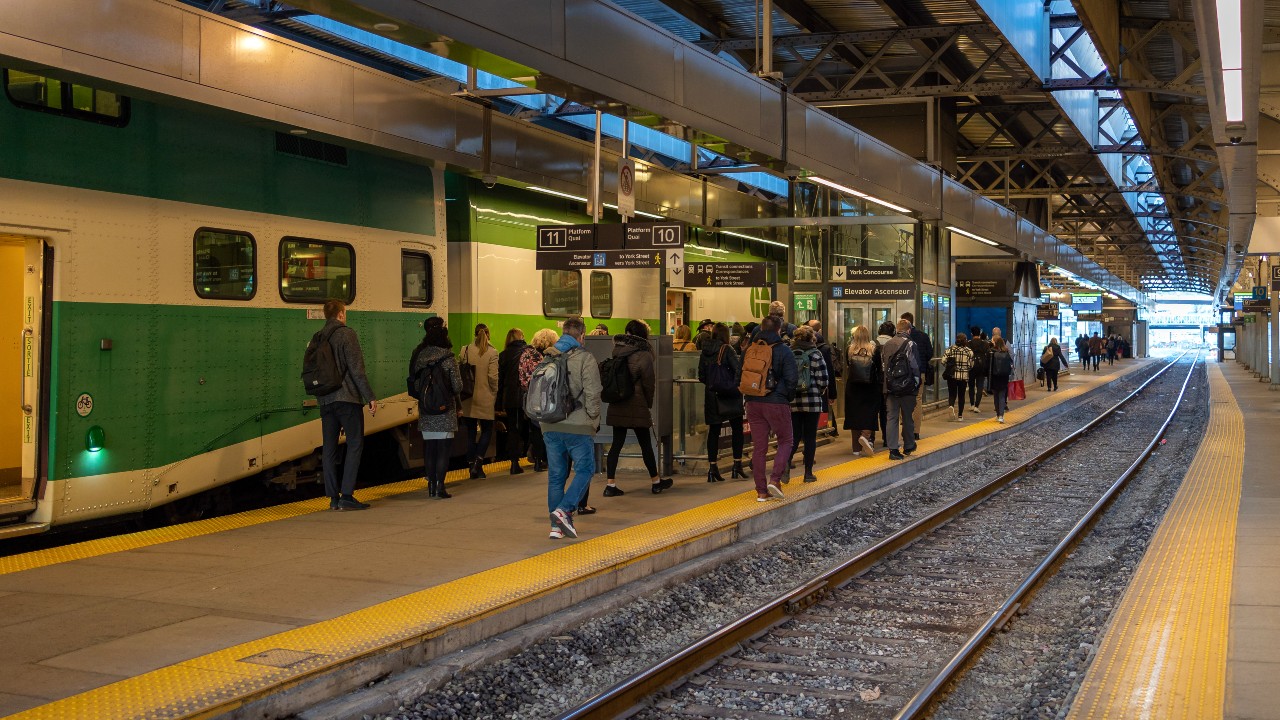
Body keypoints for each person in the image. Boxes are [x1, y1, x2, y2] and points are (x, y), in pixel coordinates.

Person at [314, 299, 378, 511]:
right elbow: (357, 370)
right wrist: (370, 397)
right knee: (354, 443)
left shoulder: (318, 336)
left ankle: (333, 498)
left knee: (329, 449)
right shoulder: (346, 334)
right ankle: (347, 495)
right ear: (341, 314)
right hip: (347, 398)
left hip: (325, 400)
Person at [543, 318, 603, 540]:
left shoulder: (548, 356)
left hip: (549, 424)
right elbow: (593, 393)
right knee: (586, 469)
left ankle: (556, 527)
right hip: (578, 426)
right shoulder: (586, 358)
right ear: (581, 336)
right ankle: (564, 509)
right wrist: (593, 418)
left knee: (556, 476)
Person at [603, 320, 672, 496]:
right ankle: (656, 482)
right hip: (637, 403)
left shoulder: (617, 351)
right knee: (646, 444)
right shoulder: (644, 354)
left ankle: (610, 485)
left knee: (616, 444)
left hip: (618, 402)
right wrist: (648, 404)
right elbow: (649, 384)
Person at [743, 315, 799, 500]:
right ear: (779, 329)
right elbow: (791, 380)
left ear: (761, 328)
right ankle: (775, 481)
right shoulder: (784, 350)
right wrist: (784, 397)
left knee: (759, 447)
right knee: (786, 440)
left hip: (752, 402)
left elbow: (740, 375)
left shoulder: (749, 349)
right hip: (776, 402)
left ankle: (761, 491)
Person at [410, 322, 463, 499]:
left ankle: (431, 486)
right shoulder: (448, 358)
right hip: (445, 411)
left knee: (430, 450)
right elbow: (458, 386)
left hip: (426, 410)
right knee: (443, 450)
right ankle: (440, 486)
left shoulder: (421, 357)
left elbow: (416, 385)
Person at [698, 322, 746, 482]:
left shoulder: (704, 351)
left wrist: (714, 384)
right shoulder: (727, 349)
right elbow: (738, 369)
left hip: (712, 395)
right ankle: (737, 465)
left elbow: (701, 376)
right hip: (730, 394)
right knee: (737, 429)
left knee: (714, 431)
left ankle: (712, 468)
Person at [788, 326, 830, 483]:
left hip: (793, 401)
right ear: (812, 338)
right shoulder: (815, 354)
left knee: (794, 436)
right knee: (810, 437)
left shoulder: (790, 353)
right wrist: (819, 391)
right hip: (812, 401)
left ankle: (786, 463)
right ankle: (808, 473)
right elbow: (823, 379)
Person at [458, 323, 499, 479]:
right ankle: (478, 464)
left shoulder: (465, 350)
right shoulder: (492, 352)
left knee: (470, 432)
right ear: (488, 334)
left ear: (475, 334)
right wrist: (494, 393)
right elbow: (493, 377)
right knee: (487, 431)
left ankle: (470, 465)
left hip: (468, 397)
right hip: (485, 397)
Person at [882, 319, 920, 461]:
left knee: (891, 417)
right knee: (907, 417)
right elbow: (915, 366)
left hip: (890, 387)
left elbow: (883, 366)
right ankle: (909, 445)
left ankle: (893, 449)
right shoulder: (910, 344)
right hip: (907, 387)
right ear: (909, 330)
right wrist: (916, 384)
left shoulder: (887, 344)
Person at [521, 328, 559, 471]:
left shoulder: (525, 355)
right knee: (546, 429)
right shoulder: (545, 357)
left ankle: (537, 460)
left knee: (535, 429)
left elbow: (523, 378)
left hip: (530, 398)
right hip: (544, 397)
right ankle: (547, 459)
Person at [843, 325, 882, 456]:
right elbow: (878, 369)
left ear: (855, 336)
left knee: (855, 414)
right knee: (870, 412)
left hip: (853, 386)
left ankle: (856, 449)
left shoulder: (849, 349)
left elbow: (849, 366)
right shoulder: (874, 350)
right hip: (870, 386)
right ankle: (865, 436)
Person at [495, 328, 529, 475]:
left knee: (514, 429)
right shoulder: (528, 352)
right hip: (527, 397)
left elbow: (500, 382)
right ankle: (535, 459)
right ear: (521, 337)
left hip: (510, 398)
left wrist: (498, 403)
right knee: (530, 428)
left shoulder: (503, 355)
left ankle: (514, 461)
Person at [900, 312, 933, 441]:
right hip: (920, 372)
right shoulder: (923, 336)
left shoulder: (899, 338)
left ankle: (906, 428)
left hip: (903, 374)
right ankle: (915, 432)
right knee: (917, 400)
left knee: (903, 399)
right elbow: (929, 353)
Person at [806, 319, 840, 435]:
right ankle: (826, 429)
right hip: (818, 390)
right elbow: (828, 372)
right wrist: (831, 393)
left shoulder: (794, 350)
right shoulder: (824, 349)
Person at [943, 333, 975, 422]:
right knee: (961, 396)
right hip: (963, 376)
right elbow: (971, 365)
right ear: (965, 340)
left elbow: (943, 360)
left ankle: (951, 406)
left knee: (952, 394)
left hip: (952, 375)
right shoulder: (969, 351)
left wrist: (948, 366)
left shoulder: (950, 349)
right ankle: (960, 415)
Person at [874, 321, 895, 446]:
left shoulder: (872, 343)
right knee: (886, 411)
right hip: (889, 382)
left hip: (874, 382)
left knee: (874, 409)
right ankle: (887, 438)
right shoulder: (894, 344)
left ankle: (870, 438)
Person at [966, 326, 990, 415]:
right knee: (980, 386)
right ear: (980, 333)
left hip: (971, 367)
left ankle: (972, 404)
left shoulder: (968, 343)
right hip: (981, 366)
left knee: (971, 386)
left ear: (971, 334)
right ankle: (977, 406)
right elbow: (988, 355)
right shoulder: (985, 344)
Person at [989, 336, 1014, 423]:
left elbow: (989, 367)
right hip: (1004, 377)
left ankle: (997, 414)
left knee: (996, 396)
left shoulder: (992, 353)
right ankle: (1001, 416)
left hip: (994, 377)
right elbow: (1011, 365)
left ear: (995, 344)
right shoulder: (1006, 353)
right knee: (1002, 396)